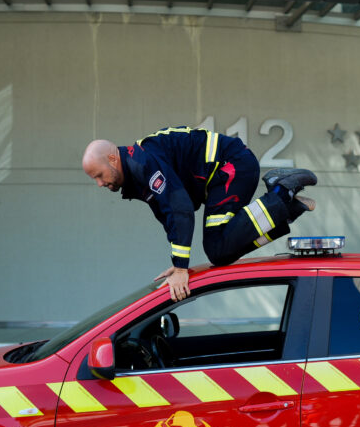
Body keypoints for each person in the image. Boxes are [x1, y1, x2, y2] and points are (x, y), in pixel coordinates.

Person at [82, 127, 317, 301]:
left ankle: (281, 190)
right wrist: (177, 265)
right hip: (223, 173)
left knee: (217, 247)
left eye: (99, 175)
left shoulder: (143, 163)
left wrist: (182, 267)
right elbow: (168, 216)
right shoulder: (138, 168)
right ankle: (286, 208)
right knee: (219, 252)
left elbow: (180, 208)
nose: (100, 184)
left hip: (231, 165)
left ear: (113, 159)